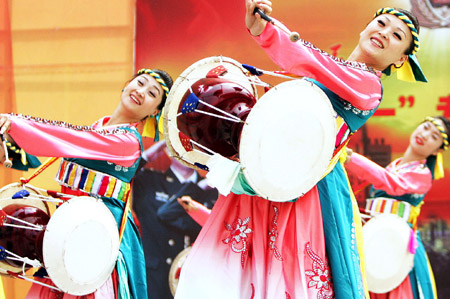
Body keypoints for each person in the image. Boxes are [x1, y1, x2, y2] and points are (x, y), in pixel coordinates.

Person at [174, 2, 427, 299]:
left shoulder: (368, 86)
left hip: (305, 192)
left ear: (400, 59)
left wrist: (266, 32)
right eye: (381, 24)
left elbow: (311, 61)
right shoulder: (331, 70)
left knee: (285, 279)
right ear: (365, 28)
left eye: (397, 36)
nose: (385, 33)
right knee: (235, 277)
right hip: (267, 176)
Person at [0, 68, 173, 298]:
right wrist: (11, 148)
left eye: (152, 94)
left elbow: (68, 139)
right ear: (127, 84)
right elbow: (63, 146)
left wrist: (17, 125)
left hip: (95, 243)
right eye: (140, 83)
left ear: (155, 112)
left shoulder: (127, 141)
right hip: (68, 237)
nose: (141, 92)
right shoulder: (97, 129)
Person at [345, 116, 448, 299]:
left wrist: (351, 159)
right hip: (376, 238)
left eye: (433, 137)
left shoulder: (422, 174)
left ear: (437, 150)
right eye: (425, 127)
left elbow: (389, 182)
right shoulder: (396, 166)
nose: (424, 135)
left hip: (395, 245)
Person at [131, 141, 218, 299]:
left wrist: (199, 187)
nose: (185, 151)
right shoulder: (149, 180)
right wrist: (145, 157)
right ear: (166, 149)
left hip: (190, 280)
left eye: (192, 145)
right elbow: (122, 175)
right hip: (153, 280)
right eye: (177, 144)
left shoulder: (210, 190)